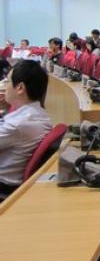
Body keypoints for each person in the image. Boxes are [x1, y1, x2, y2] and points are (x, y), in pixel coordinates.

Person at [0, 60, 52, 198]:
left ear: (20, 88)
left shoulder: (19, 125)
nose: (5, 86)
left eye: (8, 82)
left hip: (4, 188)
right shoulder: (36, 112)